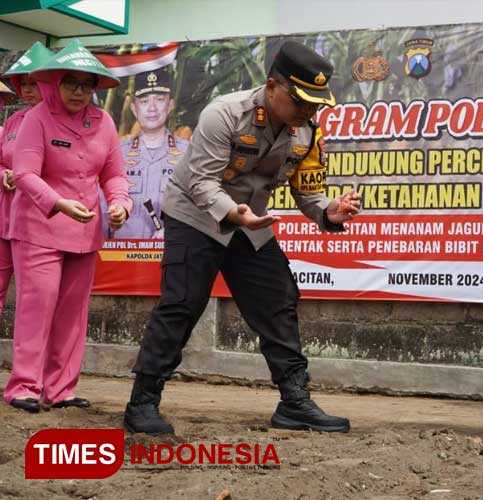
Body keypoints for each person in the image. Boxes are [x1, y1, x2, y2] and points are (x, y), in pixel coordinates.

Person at [123, 41, 361, 435]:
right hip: (196, 215)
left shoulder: (308, 131)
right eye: (300, 100)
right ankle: (143, 402)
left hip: (251, 221)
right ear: (272, 86)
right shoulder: (226, 114)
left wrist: (326, 211)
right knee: (181, 304)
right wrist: (235, 213)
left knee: (278, 300)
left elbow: (308, 190)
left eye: (315, 103)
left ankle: (294, 402)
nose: (308, 111)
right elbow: (200, 182)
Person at [2, 40, 132, 413]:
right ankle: (24, 386)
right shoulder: (36, 119)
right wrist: (57, 203)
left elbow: (115, 176)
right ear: (54, 82)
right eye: (71, 82)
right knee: (36, 307)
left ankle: (61, 388)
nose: (79, 91)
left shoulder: (103, 122)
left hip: (85, 231)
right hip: (37, 227)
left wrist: (120, 203)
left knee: (73, 313)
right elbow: (24, 173)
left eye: (86, 84)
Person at [0, 42, 52, 330]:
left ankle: (34, 363)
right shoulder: (14, 121)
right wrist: (5, 175)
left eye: (35, 83)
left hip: (37, 222)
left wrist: (23, 175)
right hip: (5, 217)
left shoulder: (58, 122)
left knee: (34, 296)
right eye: (24, 83)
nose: (28, 90)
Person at [107, 67, 188, 238]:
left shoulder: (188, 153)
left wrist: (176, 231)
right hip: (122, 255)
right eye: (144, 101)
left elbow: (198, 204)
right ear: (134, 108)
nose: (152, 108)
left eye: (159, 99)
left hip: (172, 252)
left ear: (170, 105)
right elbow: (102, 207)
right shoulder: (117, 152)